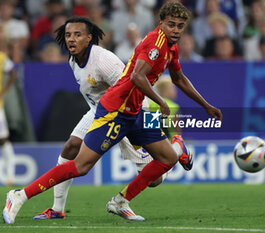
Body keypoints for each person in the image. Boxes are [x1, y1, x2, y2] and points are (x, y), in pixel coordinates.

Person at [3, 2, 222, 224]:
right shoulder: (154, 44)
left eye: (180, 26)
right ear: (161, 23)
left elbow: (178, 79)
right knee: (81, 166)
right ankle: (20, 196)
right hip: (115, 111)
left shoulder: (169, 46)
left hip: (137, 108)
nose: (176, 29)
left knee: (166, 161)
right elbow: (137, 77)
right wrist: (160, 101)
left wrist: (206, 105)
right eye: (171, 24)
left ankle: (121, 200)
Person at [0, 23, 17, 186]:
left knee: (3, 139)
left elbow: (13, 73)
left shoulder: (2, 58)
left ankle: (9, 176)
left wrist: (4, 91)